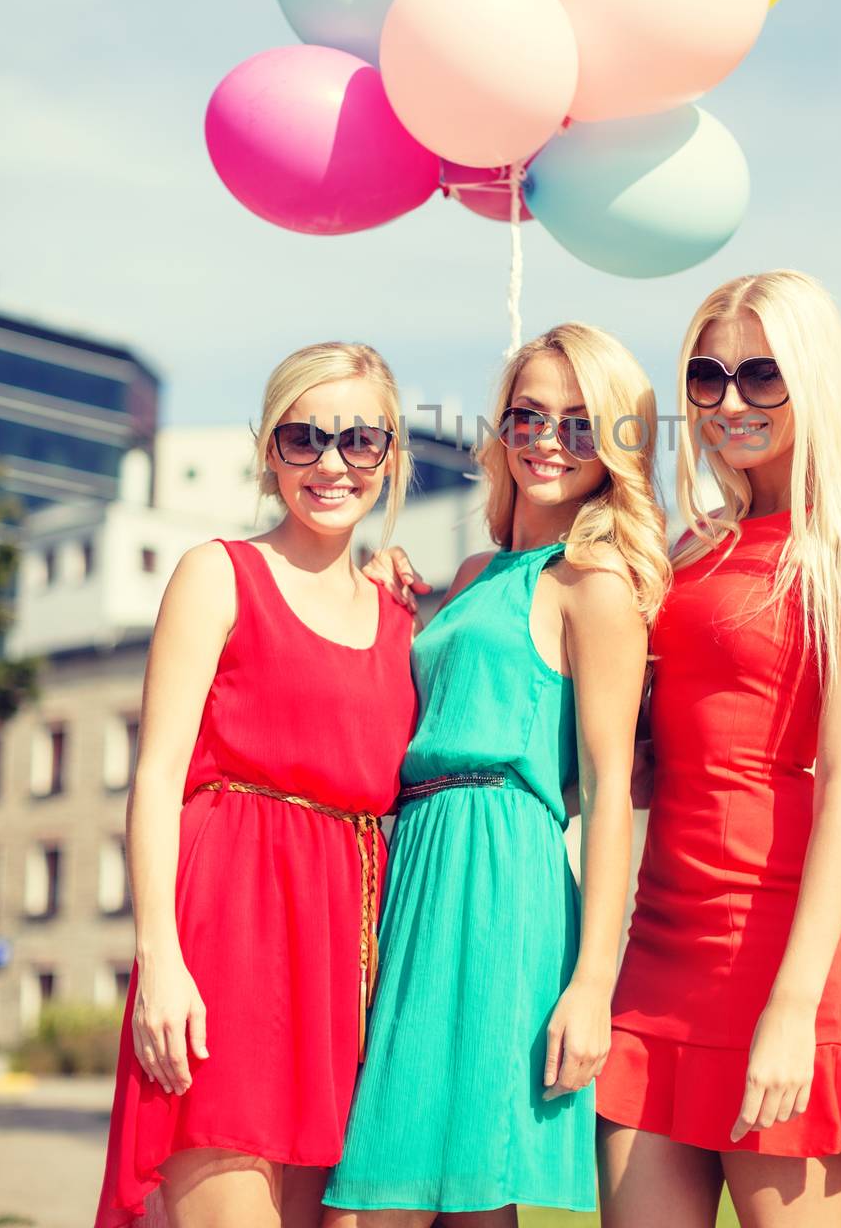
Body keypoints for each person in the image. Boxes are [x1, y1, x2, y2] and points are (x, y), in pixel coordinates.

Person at [322, 323, 672, 1225]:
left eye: (580, 424)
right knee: (394, 1178)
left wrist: (592, 982)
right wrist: (384, 590)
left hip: (501, 878)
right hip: (415, 867)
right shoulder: (476, 570)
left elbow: (603, 793)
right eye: (528, 416)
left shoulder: (593, 585)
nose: (548, 440)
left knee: (462, 1186)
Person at [597, 271, 841, 1228]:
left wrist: (791, 1007)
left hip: (784, 948)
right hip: (658, 947)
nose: (728, 401)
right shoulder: (689, 549)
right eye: (706, 376)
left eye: (760, 375)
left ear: (811, 380)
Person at [94, 343, 419, 1228]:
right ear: (268, 452)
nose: (332, 464)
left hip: (344, 961)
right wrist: (159, 960)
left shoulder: (402, 619)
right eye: (304, 438)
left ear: (391, 456)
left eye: (360, 439)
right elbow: (157, 778)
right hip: (227, 937)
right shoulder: (217, 573)